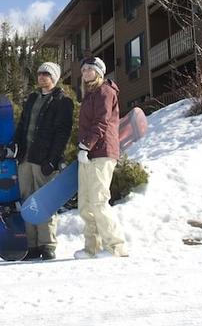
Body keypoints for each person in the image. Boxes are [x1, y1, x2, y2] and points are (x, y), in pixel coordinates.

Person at [12, 61, 73, 261]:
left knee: (44, 202)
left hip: (44, 159)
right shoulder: (32, 99)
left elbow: (62, 133)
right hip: (26, 158)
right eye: (39, 73)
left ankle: (47, 244)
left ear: (54, 78)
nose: (41, 77)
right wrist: (15, 147)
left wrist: (53, 160)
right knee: (27, 201)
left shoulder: (62, 101)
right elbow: (22, 126)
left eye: (46, 74)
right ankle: (31, 245)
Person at [73, 56, 129, 259]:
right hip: (89, 153)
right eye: (84, 69)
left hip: (102, 152)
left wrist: (86, 146)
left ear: (100, 72)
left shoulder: (105, 91)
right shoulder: (90, 95)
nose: (86, 72)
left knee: (98, 201)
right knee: (86, 204)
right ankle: (92, 248)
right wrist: (84, 149)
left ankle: (116, 247)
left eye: (91, 69)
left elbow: (101, 123)